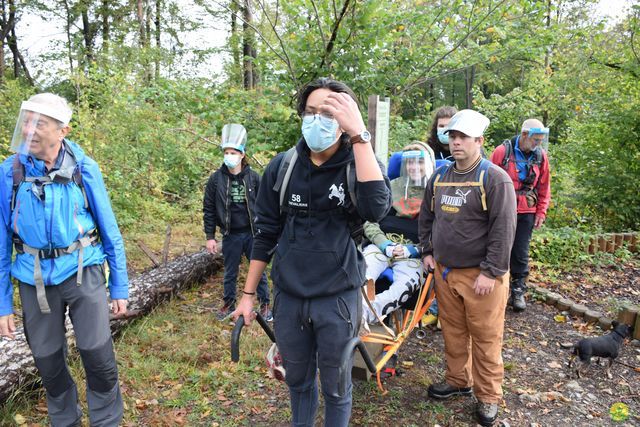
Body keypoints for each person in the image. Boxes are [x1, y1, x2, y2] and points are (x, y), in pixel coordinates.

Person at [233, 77, 391, 427]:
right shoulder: (283, 166)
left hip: (337, 298)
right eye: (310, 111)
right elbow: (265, 234)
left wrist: (359, 135)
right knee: (299, 382)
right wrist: (247, 295)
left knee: (336, 387)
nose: (316, 119)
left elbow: (377, 209)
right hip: (289, 297)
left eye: (328, 112)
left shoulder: (358, 163)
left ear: (344, 117)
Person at [0, 93, 129, 426]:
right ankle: (65, 421)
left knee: (96, 353)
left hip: (83, 270)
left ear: (63, 131)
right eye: (26, 121)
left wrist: (119, 286)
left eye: (39, 123)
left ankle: (106, 421)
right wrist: (3, 305)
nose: (29, 129)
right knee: (47, 361)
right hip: (34, 278)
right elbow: (1, 243)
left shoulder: (84, 168)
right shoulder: (9, 172)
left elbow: (109, 229)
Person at [418, 109, 516, 426]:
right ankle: (458, 380)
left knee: (486, 339)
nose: (456, 142)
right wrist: (427, 251)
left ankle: (488, 397)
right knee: (454, 333)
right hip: (445, 273)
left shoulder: (494, 178)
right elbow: (426, 217)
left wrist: (491, 272)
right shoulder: (440, 176)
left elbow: (503, 230)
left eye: (463, 137)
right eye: (453, 136)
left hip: (482, 277)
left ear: (479, 140)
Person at [361, 142, 435, 327]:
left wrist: (415, 249)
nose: (414, 167)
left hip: (414, 254)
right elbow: (370, 220)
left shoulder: (436, 192)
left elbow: (442, 232)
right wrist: (384, 244)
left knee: (402, 287)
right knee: (361, 275)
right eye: (410, 162)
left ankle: (364, 316)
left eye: (419, 162)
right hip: (382, 246)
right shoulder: (390, 187)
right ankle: (357, 315)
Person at [203, 124, 272, 321]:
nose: (229, 155)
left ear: (242, 154)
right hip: (230, 233)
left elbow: (265, 205)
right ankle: (228, 304)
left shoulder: (254, 178)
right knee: (230, 272)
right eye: (226, 152)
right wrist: (210, 236)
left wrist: (266, 231)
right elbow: (208, 209)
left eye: (233, 152)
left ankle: (265, 304)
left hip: (252, 233)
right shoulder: (216, 180)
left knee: (258, 270)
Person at [490, 119, 550, 312]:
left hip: (527, 211)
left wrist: (541, 210)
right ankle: (497, 287)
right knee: (498, 247)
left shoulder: (541, 156)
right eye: (535, 140)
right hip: (502, 209)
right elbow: (488, 180)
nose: (537, 144)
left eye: (540, 140)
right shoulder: (502, 152)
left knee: (520, 252)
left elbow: (544, 186)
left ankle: (517, 290)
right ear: (524, 135)